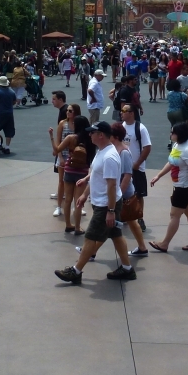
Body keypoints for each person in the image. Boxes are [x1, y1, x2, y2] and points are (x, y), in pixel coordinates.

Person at [55, 121, 136, 284]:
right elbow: (95, 177)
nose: (89, 135)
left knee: (91, 237)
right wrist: (85, 195)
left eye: (93, 132)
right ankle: (128, 269)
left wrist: (111, 211)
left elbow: (112, 185)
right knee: (116, 234)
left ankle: (76, 271)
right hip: (104, 203)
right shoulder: (102, 151)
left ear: (101, 135)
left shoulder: (109, 157)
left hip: (106, 205)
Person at [149, 122, 188, 252]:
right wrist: (159, 176)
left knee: (174, 216)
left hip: (183, 188)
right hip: (180, 185)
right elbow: (171, 162)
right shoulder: (177, 145)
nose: (170, 134)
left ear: (179, 135)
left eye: (172, 132)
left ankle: (164, 243)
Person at [50, 113, 92, 233]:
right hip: (82, 172)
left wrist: (52, 137)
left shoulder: (70, 138)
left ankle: (68, 224)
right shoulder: (90, 139)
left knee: (67, 199)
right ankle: (78, 227)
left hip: (69, 169)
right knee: (78, 201)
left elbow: (56, 150)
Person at [120, 107, 152, 250]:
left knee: (138, 194)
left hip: (137, 167)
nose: (122, 113)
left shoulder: (141, 128)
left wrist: (138, 163)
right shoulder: (122, 127)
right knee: (125, 192)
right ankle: (125, 215)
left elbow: (147, 147)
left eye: (124, 111)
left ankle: (140, 217)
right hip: (124, 166)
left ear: (131, 113)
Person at [50, 96, 72, 215]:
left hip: (71, 156)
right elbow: (58, 138)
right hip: (62, 154)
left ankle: (71, 202)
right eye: (68, 111)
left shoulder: (64, 112)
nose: (68, 113)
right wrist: (58, 152)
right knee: (62, 180)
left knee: (71, 181)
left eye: (54, 99)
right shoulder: (62, 123)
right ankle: (60, 202)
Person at [0, 76, 17, 155]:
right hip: (9, 113)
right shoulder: (11, 92)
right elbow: (14, 102)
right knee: (9, 130)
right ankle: (7, 147)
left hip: (0, 113)